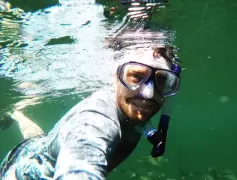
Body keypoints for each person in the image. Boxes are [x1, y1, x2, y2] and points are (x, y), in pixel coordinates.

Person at [0, 45, 182, 179]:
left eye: (162, 81)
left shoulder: (133, 107)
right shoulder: (95, 120)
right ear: (116, 78)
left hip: (40, 147)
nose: (149, 93)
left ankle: (18, 115)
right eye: (136, 76)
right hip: (15, 170)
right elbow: (83, 154)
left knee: (39, 140)